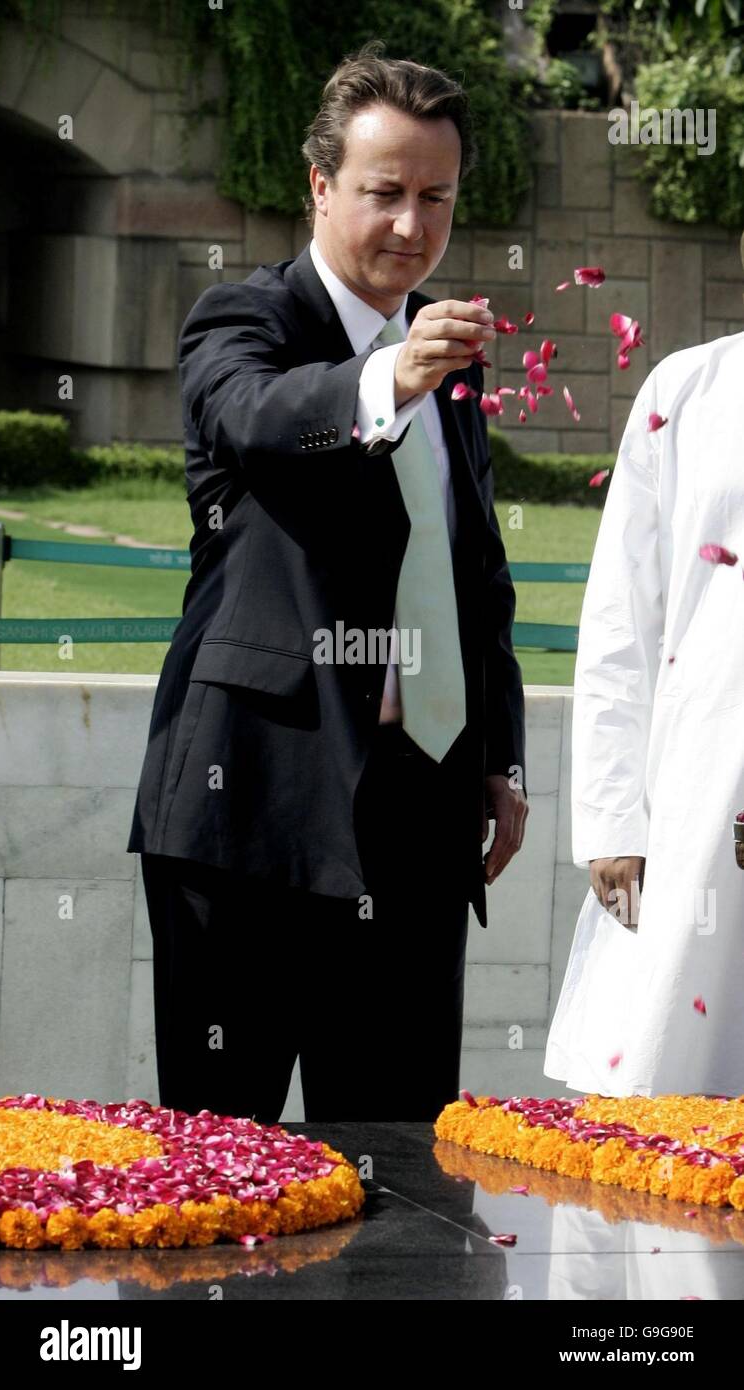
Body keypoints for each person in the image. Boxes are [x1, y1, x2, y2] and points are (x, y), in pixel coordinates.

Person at [126, 43, 528, 1123]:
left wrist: (500, 759)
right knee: (228, 1169)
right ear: (319, 186)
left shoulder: (446, 359)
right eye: (383, 193)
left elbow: (472, 575)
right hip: (251, 804)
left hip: (415, 814)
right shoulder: (242, 318)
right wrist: (387, 377)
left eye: (434, 197)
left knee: (403, 1181)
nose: (410, 224)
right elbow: (255, 418)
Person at [544, 315, 744, 1100]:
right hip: (694, 789)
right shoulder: (687, 387)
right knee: (669, 1096)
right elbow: (623, 616)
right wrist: (612, 821)